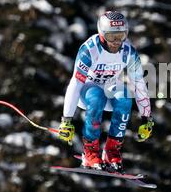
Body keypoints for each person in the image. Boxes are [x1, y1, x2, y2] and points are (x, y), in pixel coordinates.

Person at [58, 11, 154, 173]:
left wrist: (147, 117)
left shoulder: (128, 52)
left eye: (121, 36)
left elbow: (139, 84)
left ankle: (112, 151)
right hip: (87, 91)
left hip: (110, 88)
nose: (117, 42)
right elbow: (75, 84)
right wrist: (66, 119)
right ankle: (90, 152)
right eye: (111, 37)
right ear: (102, 34)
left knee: (124, 97)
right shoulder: (90, 50)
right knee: (96, 97)